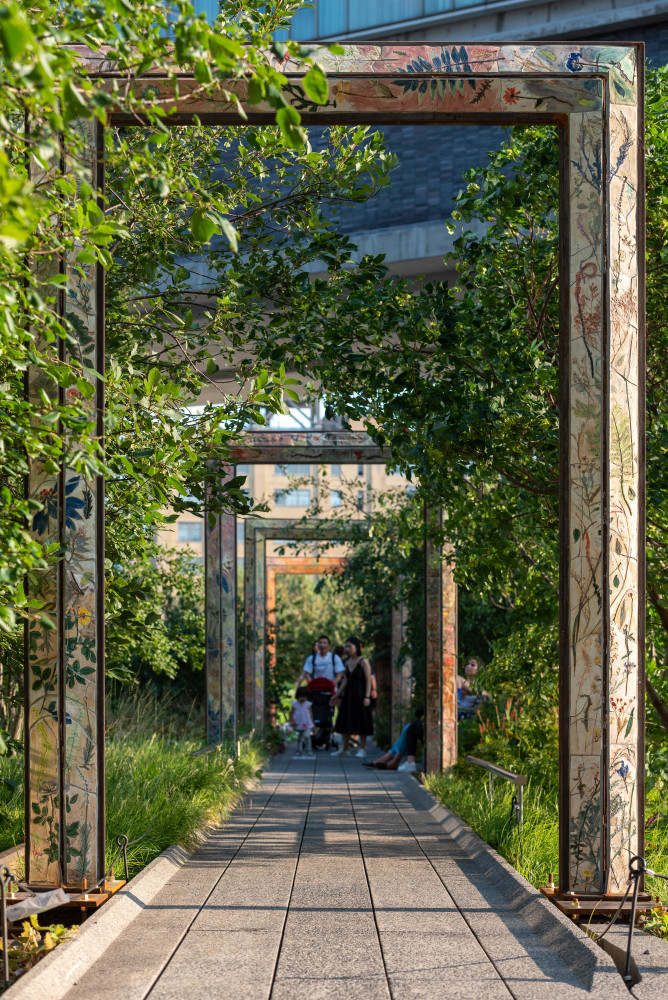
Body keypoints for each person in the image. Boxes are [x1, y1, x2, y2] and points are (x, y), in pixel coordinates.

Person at [331, 636, 374, 759]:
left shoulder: (363, 662)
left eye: (350, 646)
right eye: (346, 646)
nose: (347, 648)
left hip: (361, 694)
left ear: (357, 647)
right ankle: (345, 748)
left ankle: (362, 748)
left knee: (362, 720)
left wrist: (367, 696)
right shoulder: (347, 662)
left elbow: (368, 680)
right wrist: (336, 695)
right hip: (349, 695)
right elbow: (345, 681)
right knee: (345, 719)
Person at [290, 686, 314, 757]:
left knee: (307, 736)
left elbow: (310, 713)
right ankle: (299, 750)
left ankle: (309, 749)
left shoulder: (308, 704)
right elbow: (291, 712)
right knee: (300, 737)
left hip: (307, 723)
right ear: (298, 696)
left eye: (304, 697)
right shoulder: (294, 704)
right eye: (301, 697)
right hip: (298, 723)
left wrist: (312, 722)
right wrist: (292, 721)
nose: (303, 699)